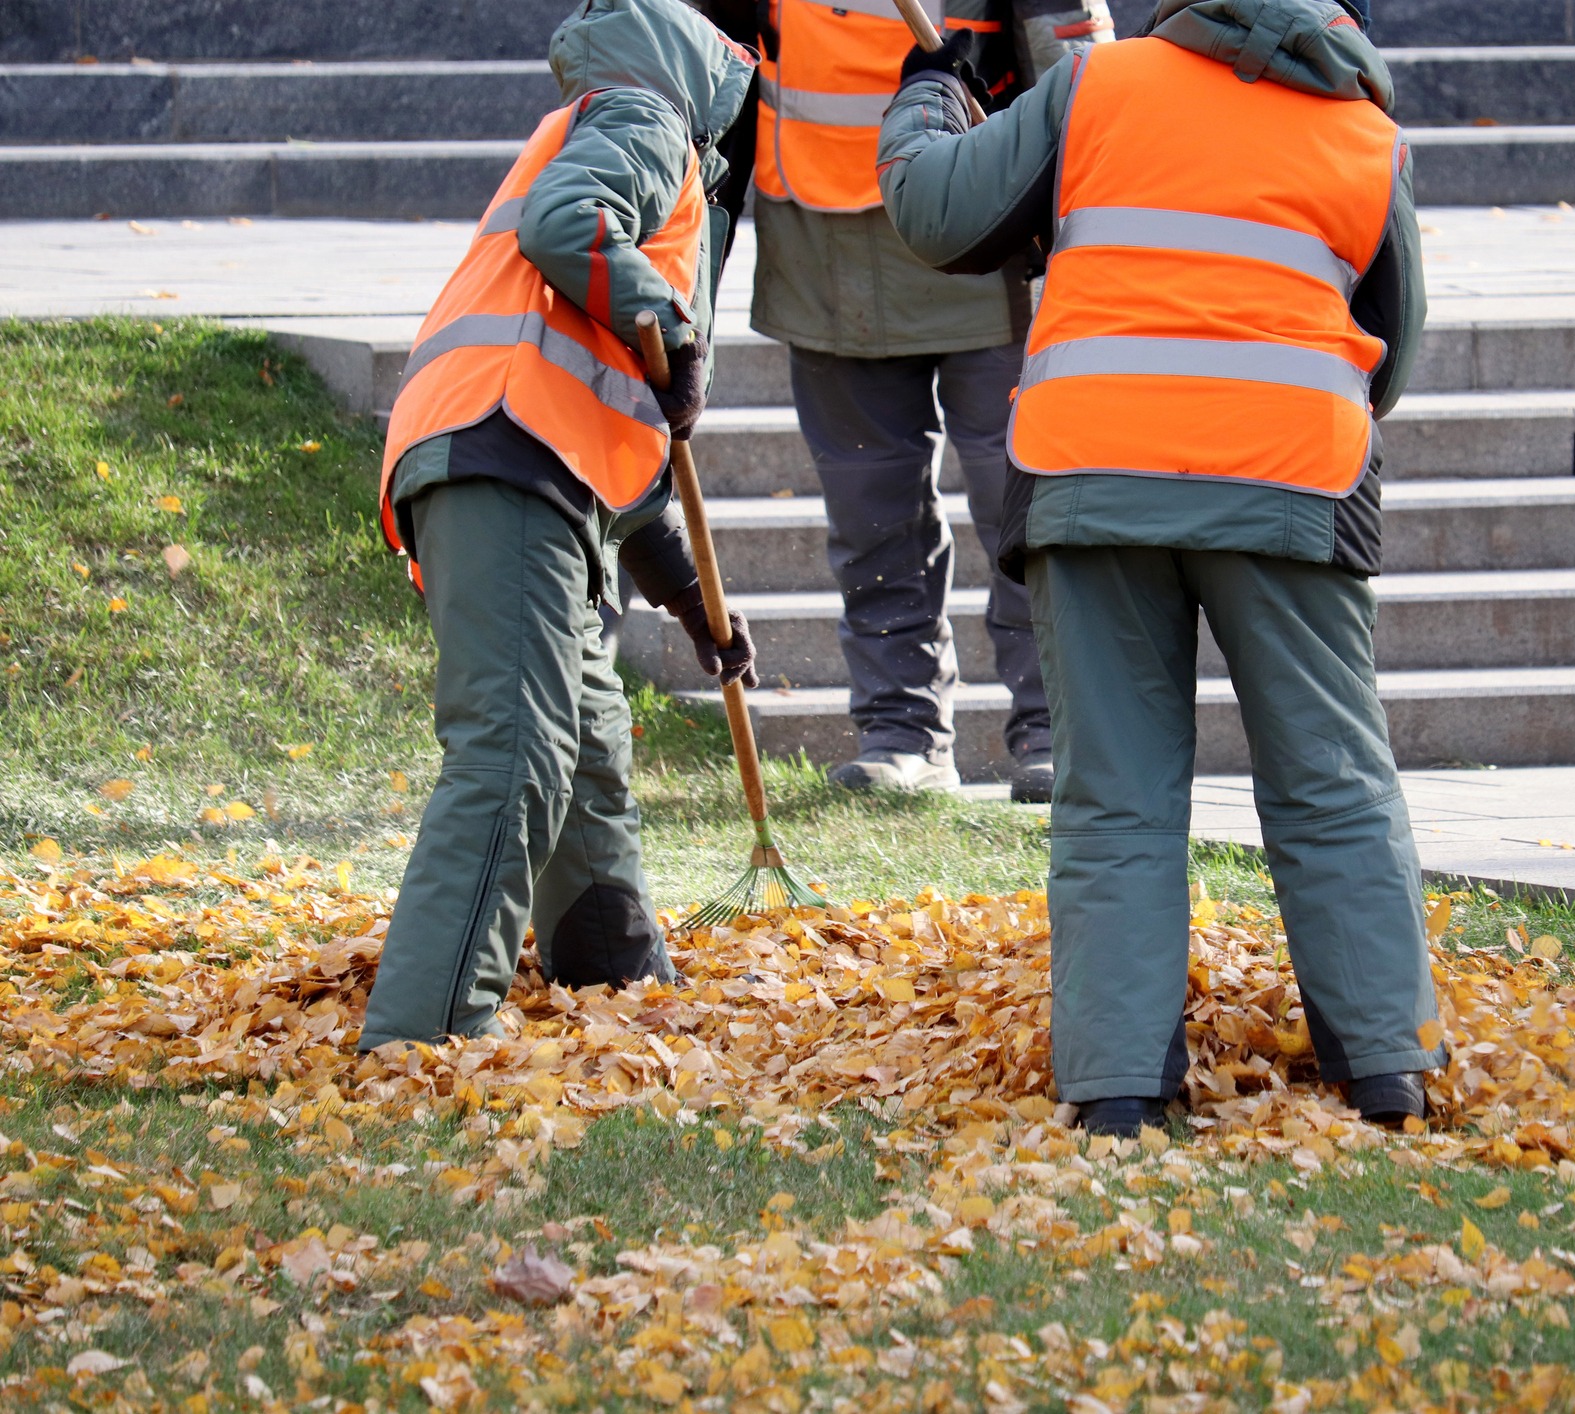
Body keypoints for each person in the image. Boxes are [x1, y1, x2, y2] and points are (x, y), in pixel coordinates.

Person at [877, 0, 1447, 1131]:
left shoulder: (1103, 84)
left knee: (1117, 793)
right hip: (1291, 477)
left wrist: (929, 89)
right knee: (1333, 777)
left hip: (1096, 471)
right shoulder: (1367, 134)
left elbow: (935, 213)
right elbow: (1399, 339)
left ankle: (1115, 1089)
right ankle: (1388, 1067)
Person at [360, 0, 761, 1051]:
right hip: (506, 446)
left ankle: (611, 971)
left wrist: (685, 594)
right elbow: (566, 228)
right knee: (516, 751)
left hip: (532, 461)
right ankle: (426, 1034)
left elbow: (617, 429)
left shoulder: (618, 120)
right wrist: (669, 322)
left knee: (584, 742)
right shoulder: (648, 116)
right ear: (717, 80)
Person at [699, 0, 1112, 802]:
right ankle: (900, 732)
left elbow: (1087, 87)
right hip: (820, 250)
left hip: (983, 238)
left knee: (1026, 502)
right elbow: (706, 86)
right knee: (869, 505)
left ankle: (1053, 729)